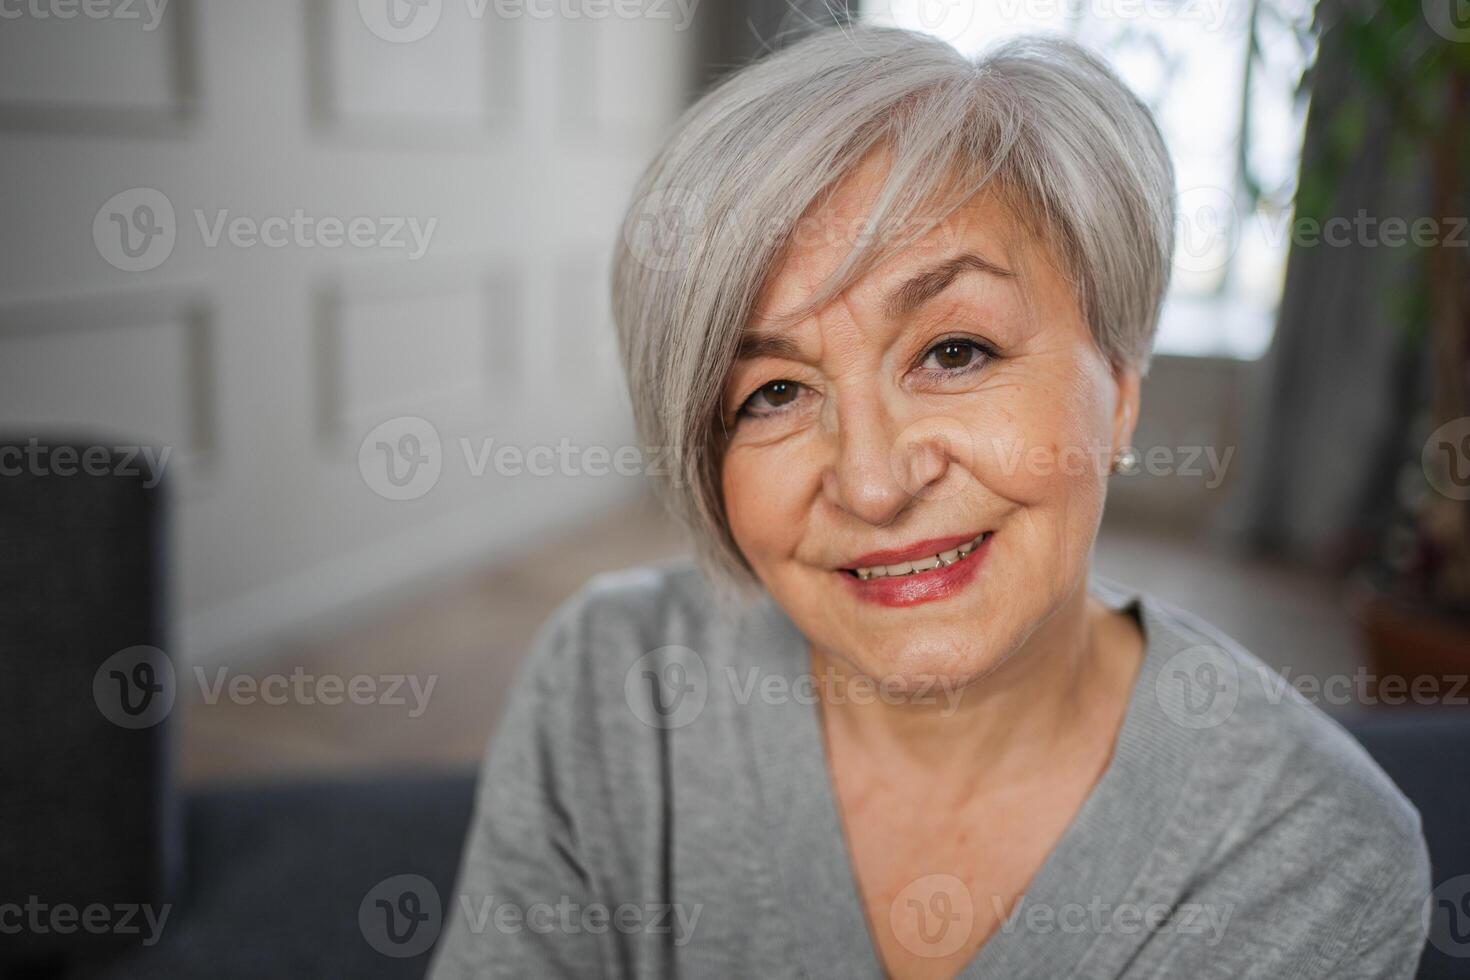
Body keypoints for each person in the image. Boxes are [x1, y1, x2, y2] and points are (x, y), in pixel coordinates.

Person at [430, 25, 1430, 979]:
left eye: (957, 350)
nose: (871, 481)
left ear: (1120, 390)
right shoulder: (616, 683)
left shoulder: (1313, 848)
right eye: (772, 391)